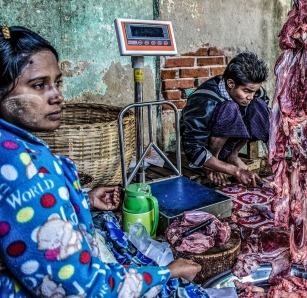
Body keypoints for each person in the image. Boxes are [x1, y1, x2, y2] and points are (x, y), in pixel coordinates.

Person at [0, 26, 200, 297]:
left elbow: (24, 217)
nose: (57, 95)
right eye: (38, 85)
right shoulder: (26, 171)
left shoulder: (11, 147)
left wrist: (80, 198)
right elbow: (85, 287)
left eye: (57, 82)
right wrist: (168, 272)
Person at [181, 52, 270, 187]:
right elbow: (194, 150)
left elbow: (262, 118)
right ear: (230, 83)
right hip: (204, 149)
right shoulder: (204, 100)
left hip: (229, 146)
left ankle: (232, 156)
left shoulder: (254, 93)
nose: (250, 96)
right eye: (246, 91)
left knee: (258, 105)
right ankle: (212, 164)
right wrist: (236, 171)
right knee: (230, 109)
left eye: (253, 91)